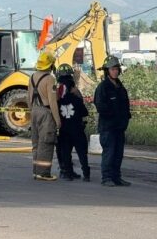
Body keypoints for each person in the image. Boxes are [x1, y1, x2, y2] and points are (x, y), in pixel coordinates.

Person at [93, 56, 131, 187]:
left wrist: (125, 119)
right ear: (107, 71)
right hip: (108, 127)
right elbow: (100, 106)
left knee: (118, 154)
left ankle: (116, 177)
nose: (115, 71)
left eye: (117, 69)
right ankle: (107, 177)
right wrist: (112, 116)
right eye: (112, 69)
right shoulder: (103, 87)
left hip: (119, 127)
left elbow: (126, 105)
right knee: (109, 153)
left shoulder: (120, 87)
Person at [28, 51, 61, 181]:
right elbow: (53, 102)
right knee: (46, 143)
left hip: (34, 111)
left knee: (36, 144)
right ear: (51, 64)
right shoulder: (50, 79)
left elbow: (28, 97)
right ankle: (44, 173)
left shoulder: (32, 77)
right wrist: (57, 120)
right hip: (46, 113)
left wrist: (33, 112)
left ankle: (36, 171)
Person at [56, 65, 90, 182]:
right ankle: (86, 174)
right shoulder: (76, 99)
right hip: (77, 129)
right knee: (82, 152)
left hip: (64, 130)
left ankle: (68, 173)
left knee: (65, 151)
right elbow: (85, 112)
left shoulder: (57, 99)